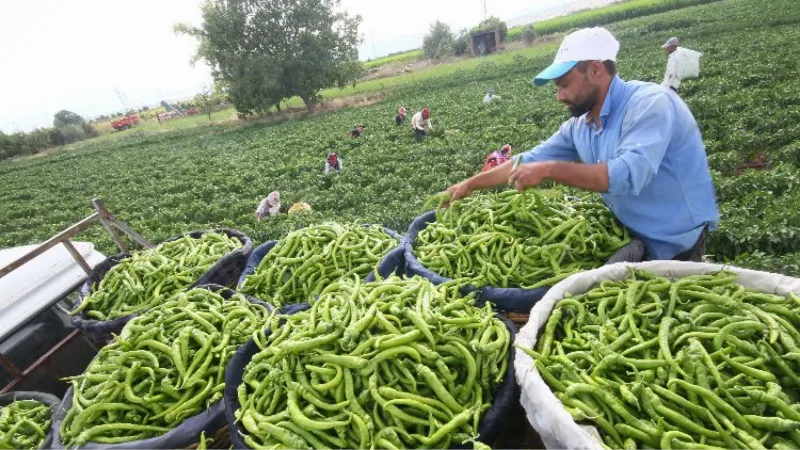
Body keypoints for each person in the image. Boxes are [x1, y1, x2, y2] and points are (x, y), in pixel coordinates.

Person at [444, 27, 719, 262]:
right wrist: (470, 184)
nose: (559, 96)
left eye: (564, 84)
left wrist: (550, 170)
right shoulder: (580, 125)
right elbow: (528, 160)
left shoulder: (649, 104)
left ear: (596, 69)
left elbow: (627, 174)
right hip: (631, 235)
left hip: (676, 246)